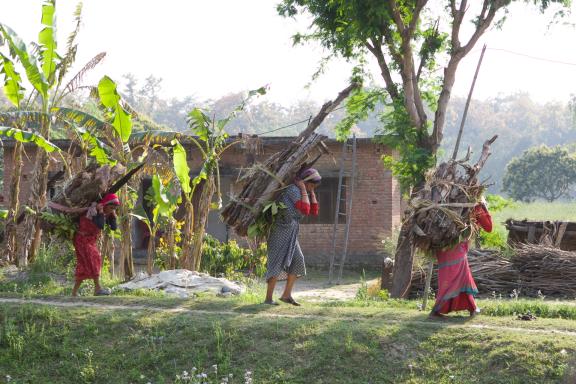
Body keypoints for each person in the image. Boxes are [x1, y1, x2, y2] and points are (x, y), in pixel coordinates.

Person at [264, 168, 321, 306]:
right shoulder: (293, 190)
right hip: (280, 230)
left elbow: (314, 211)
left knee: (298, 260)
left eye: (314, 187)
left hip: (291, 231)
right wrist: (303, 189)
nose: (311, 188)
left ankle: (286, 295)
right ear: (305, 182)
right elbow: (305, 209)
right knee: (276, 262)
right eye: (311, 185)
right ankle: (268, 299)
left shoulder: (303, 192)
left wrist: (311, 192)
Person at [429, 200, 492, 319]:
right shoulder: (476, 205)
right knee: (460, 277)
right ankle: (436, 310)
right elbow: (489, 227)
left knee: (453, 278)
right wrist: (484, 206)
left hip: (443, 246)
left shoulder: (447, 200)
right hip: (456, 247)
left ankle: (472, 308)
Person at [71, 193, 120, 297]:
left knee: (83, 265)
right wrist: (101, 211)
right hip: (81, 239)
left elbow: (114, 228)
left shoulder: (109, 213)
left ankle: (74, 293)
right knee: (95, 257)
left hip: (91, 240)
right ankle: (98, 288)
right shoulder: (93, 211)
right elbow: (101, 225)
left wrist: (114, 216)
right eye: (111, 207)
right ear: (104, 205)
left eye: (114, 208)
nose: (111, 210)